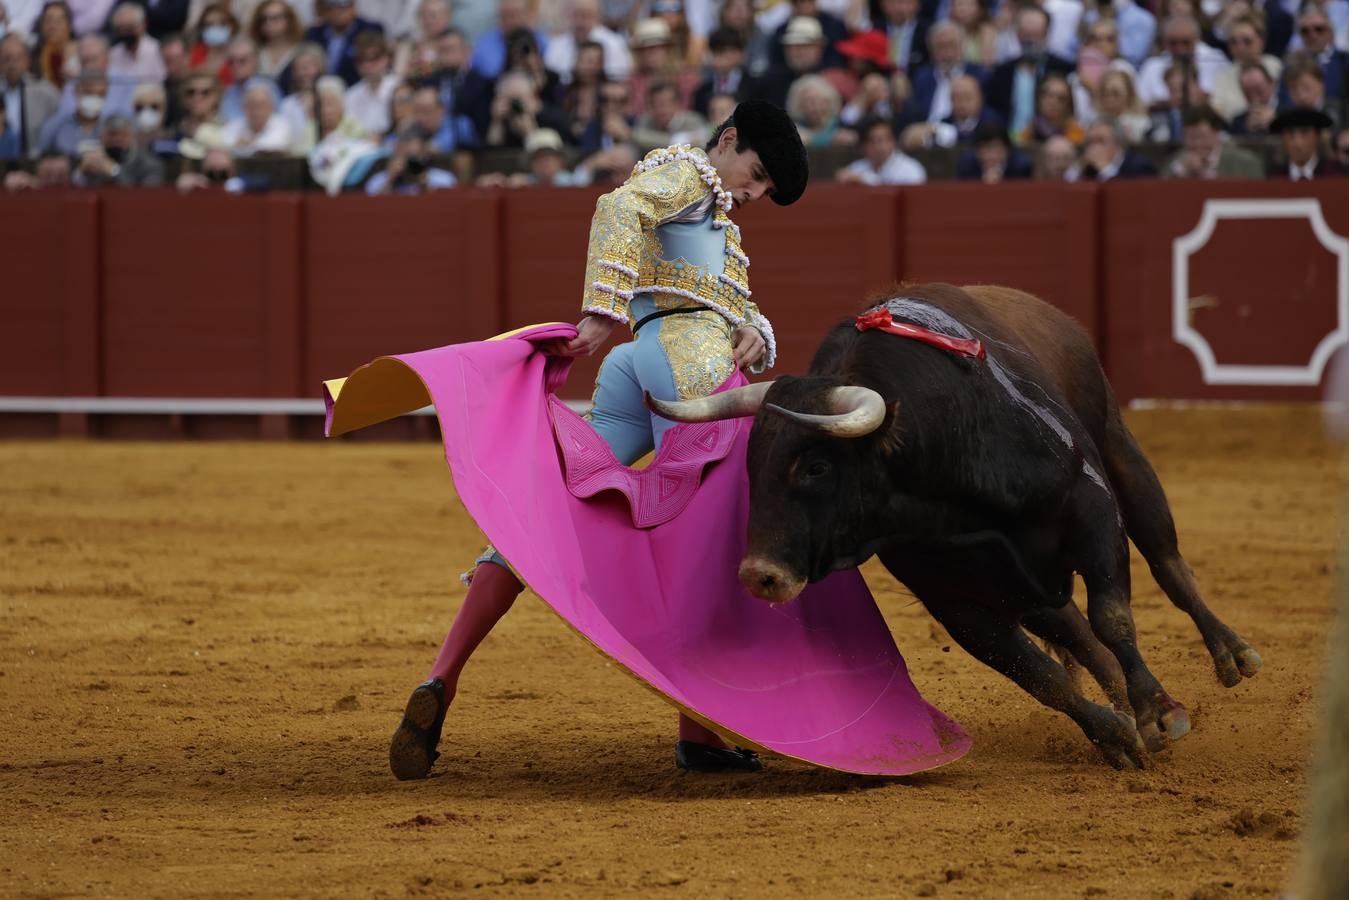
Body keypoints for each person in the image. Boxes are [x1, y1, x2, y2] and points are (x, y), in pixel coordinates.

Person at [388, 99, 809, 781]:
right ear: (727, 139)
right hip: (688, 370)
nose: (752, 192)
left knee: (544, 511)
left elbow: (725, 300)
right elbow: (618, 210)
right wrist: (599, 312)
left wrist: (756, 334)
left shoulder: (710, 211)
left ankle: (443, 675)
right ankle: (698, 734)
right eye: (755, 174)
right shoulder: (691, 173)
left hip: (638, 365)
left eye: (762, 189)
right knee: (714, 536)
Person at [1, 33, 62, 159]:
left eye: (18, 58)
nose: (12, 65)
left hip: (37, 161)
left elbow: (58, 129)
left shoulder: (46, 91)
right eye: (7, 59)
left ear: (27, 61)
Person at [1165, 105, 1262, 178]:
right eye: (1191, 138)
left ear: (1216, 134)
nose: (1197, 143)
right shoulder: (1174, 162)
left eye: (1202, 137)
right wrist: (1182, 172)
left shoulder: (1246, 162)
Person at [302, 0, 384, 86]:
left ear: (353, 5)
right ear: (324, 8)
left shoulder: (370, 30)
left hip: (358, 89)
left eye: (344, 3)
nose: (338, 10)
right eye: (332, 4)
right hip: (320, 92)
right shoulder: (314, 33)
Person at [836, 114, 925, 183]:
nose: (879, 147)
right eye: (872, 141)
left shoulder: (910, 169)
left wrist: (865, 180)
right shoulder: (856, 168)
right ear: (862, 146)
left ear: (893, 141)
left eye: (885, 139)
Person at [364, 125, 455, 192]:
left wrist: (423, 183)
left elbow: (442, 207)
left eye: (413, 157)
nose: (408, 162)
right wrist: (391, 179)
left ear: (425, 155)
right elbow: (374, 208)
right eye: (404, 156)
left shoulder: (444, 179)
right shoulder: (378, 180)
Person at [1267, 106, 1340, 179]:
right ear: (1283, 138)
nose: (1297, 142)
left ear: (1317, 136)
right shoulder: (1274, 177)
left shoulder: (1334, 174)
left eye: (1304, 132)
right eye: (1290, 133)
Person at [1076, 117, 1156, 180]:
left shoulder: (1140, 166)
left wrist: (1105, 169)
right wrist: (1078, 169)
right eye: (1091, 142)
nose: (1094, 147)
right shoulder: (1089, 169)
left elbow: (1129, 195)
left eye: (1100, 141)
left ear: (1118, 143)